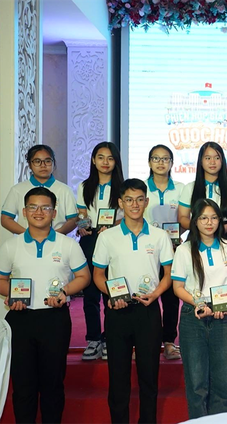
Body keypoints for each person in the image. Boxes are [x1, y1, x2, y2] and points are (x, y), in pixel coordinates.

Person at [0, 187, 90, 424]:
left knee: (52, 383)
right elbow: (1, 279)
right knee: (23, 384)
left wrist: (64, 292)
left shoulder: (68, 244)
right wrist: (12, 295)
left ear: (54, 212)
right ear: (24, 211)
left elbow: (84, 277)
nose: (39, 212)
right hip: (21, 319)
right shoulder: (11, 245)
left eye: (45, 208)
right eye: (33, 207)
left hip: (55, 319)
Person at [91, 178, 174, 424]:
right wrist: (111, 295)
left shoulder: (160, 236)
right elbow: (98, 275)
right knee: (118, 378)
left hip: (148, 312)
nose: (134, 204)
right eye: (129, 199)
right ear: (120, 202)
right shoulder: (108, 237)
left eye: (139, 199)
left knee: (149, 377)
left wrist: (156, 294)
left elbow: (168, 275)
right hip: (118, 312)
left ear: (146, 202)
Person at [171, 198, 227, 419]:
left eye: (213, 217)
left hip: (223, 317)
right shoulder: (184, 250)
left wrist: (220, 304)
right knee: (196, 381)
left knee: (221, 382)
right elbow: (178, 287)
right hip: (193, 317)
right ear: (194, 221)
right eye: (203, 218)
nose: (209, 222)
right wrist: (200, 303)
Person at [76, 141, 125, 361]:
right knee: (90, 293)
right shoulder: (84, 186)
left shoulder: (123, 188)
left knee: (111, 289)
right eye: (101, 157)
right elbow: (81, 214)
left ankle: (109, 338)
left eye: (110, 158)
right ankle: (93, 338)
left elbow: (128, 215)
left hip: (114, 240)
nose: (105, 162)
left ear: (116, 161)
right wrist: (82, 225)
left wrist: (113, 226)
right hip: (91, 239)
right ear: (94, 160)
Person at [144, 144, 186, 360]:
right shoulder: (141, 188)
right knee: (145, 290)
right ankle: (143, 342)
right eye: (156, 158)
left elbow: (186, 218)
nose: (161, 163)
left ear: (171, 163)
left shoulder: (181, 188)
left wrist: (178, 234)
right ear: (149, 162)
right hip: (145, 250)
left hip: (174, 249)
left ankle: (169, 341)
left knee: (170, 297)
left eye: (165, 159)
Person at [2, 145, 78, 235]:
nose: (43, 165)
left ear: (54, 163)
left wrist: (55, 235)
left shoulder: (65, 190)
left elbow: (73, 220)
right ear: (30, 164)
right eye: (37, 161)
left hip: (57, 242)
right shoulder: (17, 190)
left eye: (48, 161)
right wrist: (29, 235)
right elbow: (5, 219)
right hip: (26, 243)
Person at [178, 142, 227, 238]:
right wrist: (201, 229)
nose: (212, 162)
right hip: (197, 238)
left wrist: (219, 230)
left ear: (222, 161)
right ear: (201, 161)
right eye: (208, 158)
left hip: (224, 236)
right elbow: (182, 218)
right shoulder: (190, 187)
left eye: (217, 158)